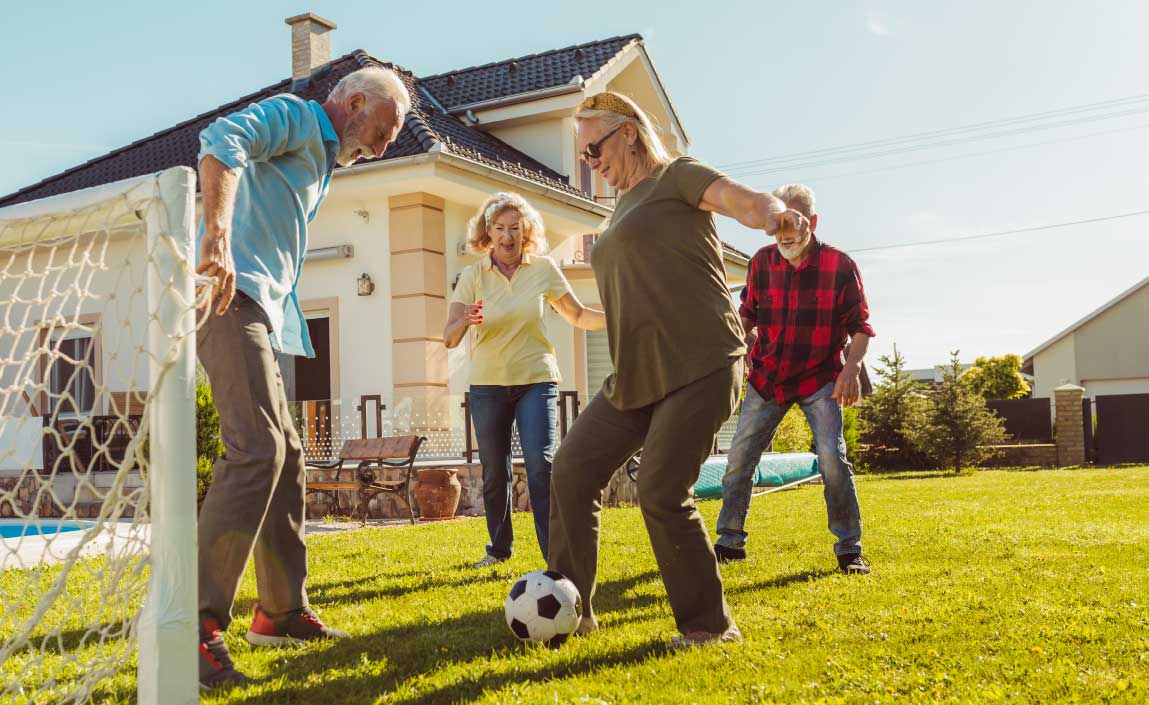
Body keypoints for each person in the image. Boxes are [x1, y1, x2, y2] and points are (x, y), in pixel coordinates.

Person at [547, 92, 809, 649]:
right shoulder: (617, 208)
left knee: (662, 489)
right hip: (636, 375)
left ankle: (710, 628)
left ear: (630, 134)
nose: (591, 163)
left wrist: (774, 214)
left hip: (701, 362)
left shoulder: (677, 176)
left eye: (595, 148)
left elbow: (740, 200)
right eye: (583, 156)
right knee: (570, 470)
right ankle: (571, 606)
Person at [194, 66, 410, 689]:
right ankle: (194, 626)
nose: (387, 143)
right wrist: (217, 236)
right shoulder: (296, 117)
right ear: (357, 102)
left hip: (256, 307)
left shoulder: (319, 160)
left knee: (288, 454)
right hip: (227, 297)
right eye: (387, 128)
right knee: (257, 447)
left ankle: (280, 609)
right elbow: (221, 138)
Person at [714, 183, 875, 575]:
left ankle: (849, 548)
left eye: (792, 231)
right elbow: (748, 312)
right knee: (738, 459)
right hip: (768, 376)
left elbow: (861, 326)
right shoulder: (762, 262)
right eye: (778, 232)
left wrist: (851, 369)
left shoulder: (840, 265)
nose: (784, 239)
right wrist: (736, 339)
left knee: (832, 460)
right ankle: (729, 542)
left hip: (821, 377)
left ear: (812, 222)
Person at [444, 192, 605, 568]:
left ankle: (556, 556)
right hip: (488, 385)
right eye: (499, 228)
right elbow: (448, 336)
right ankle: (499, 550)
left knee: (540, 464)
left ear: (526, 230)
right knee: (494, 472)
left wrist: (619, 317)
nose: (507, 236)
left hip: (536, 378)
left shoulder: (543, 269)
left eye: (514, 228)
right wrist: (465, 319)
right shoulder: (473, 275)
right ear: (488, 232)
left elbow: (578, 316)